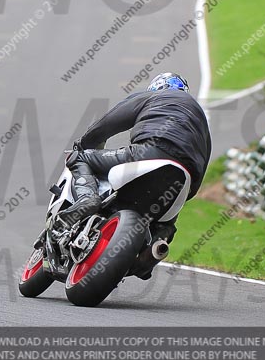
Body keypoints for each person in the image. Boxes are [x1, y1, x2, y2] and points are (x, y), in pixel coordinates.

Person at [58, 72, 211, 245]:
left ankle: (86, 198)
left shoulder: (152, 96)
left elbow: (108, 123)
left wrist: (85, 143)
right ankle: (153, 251)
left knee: (80, 158)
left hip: (148, 153)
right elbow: (203, 166)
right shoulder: (202, 121)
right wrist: (185, 193)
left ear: (156, 87)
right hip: (184, 178)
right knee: (164, 224)